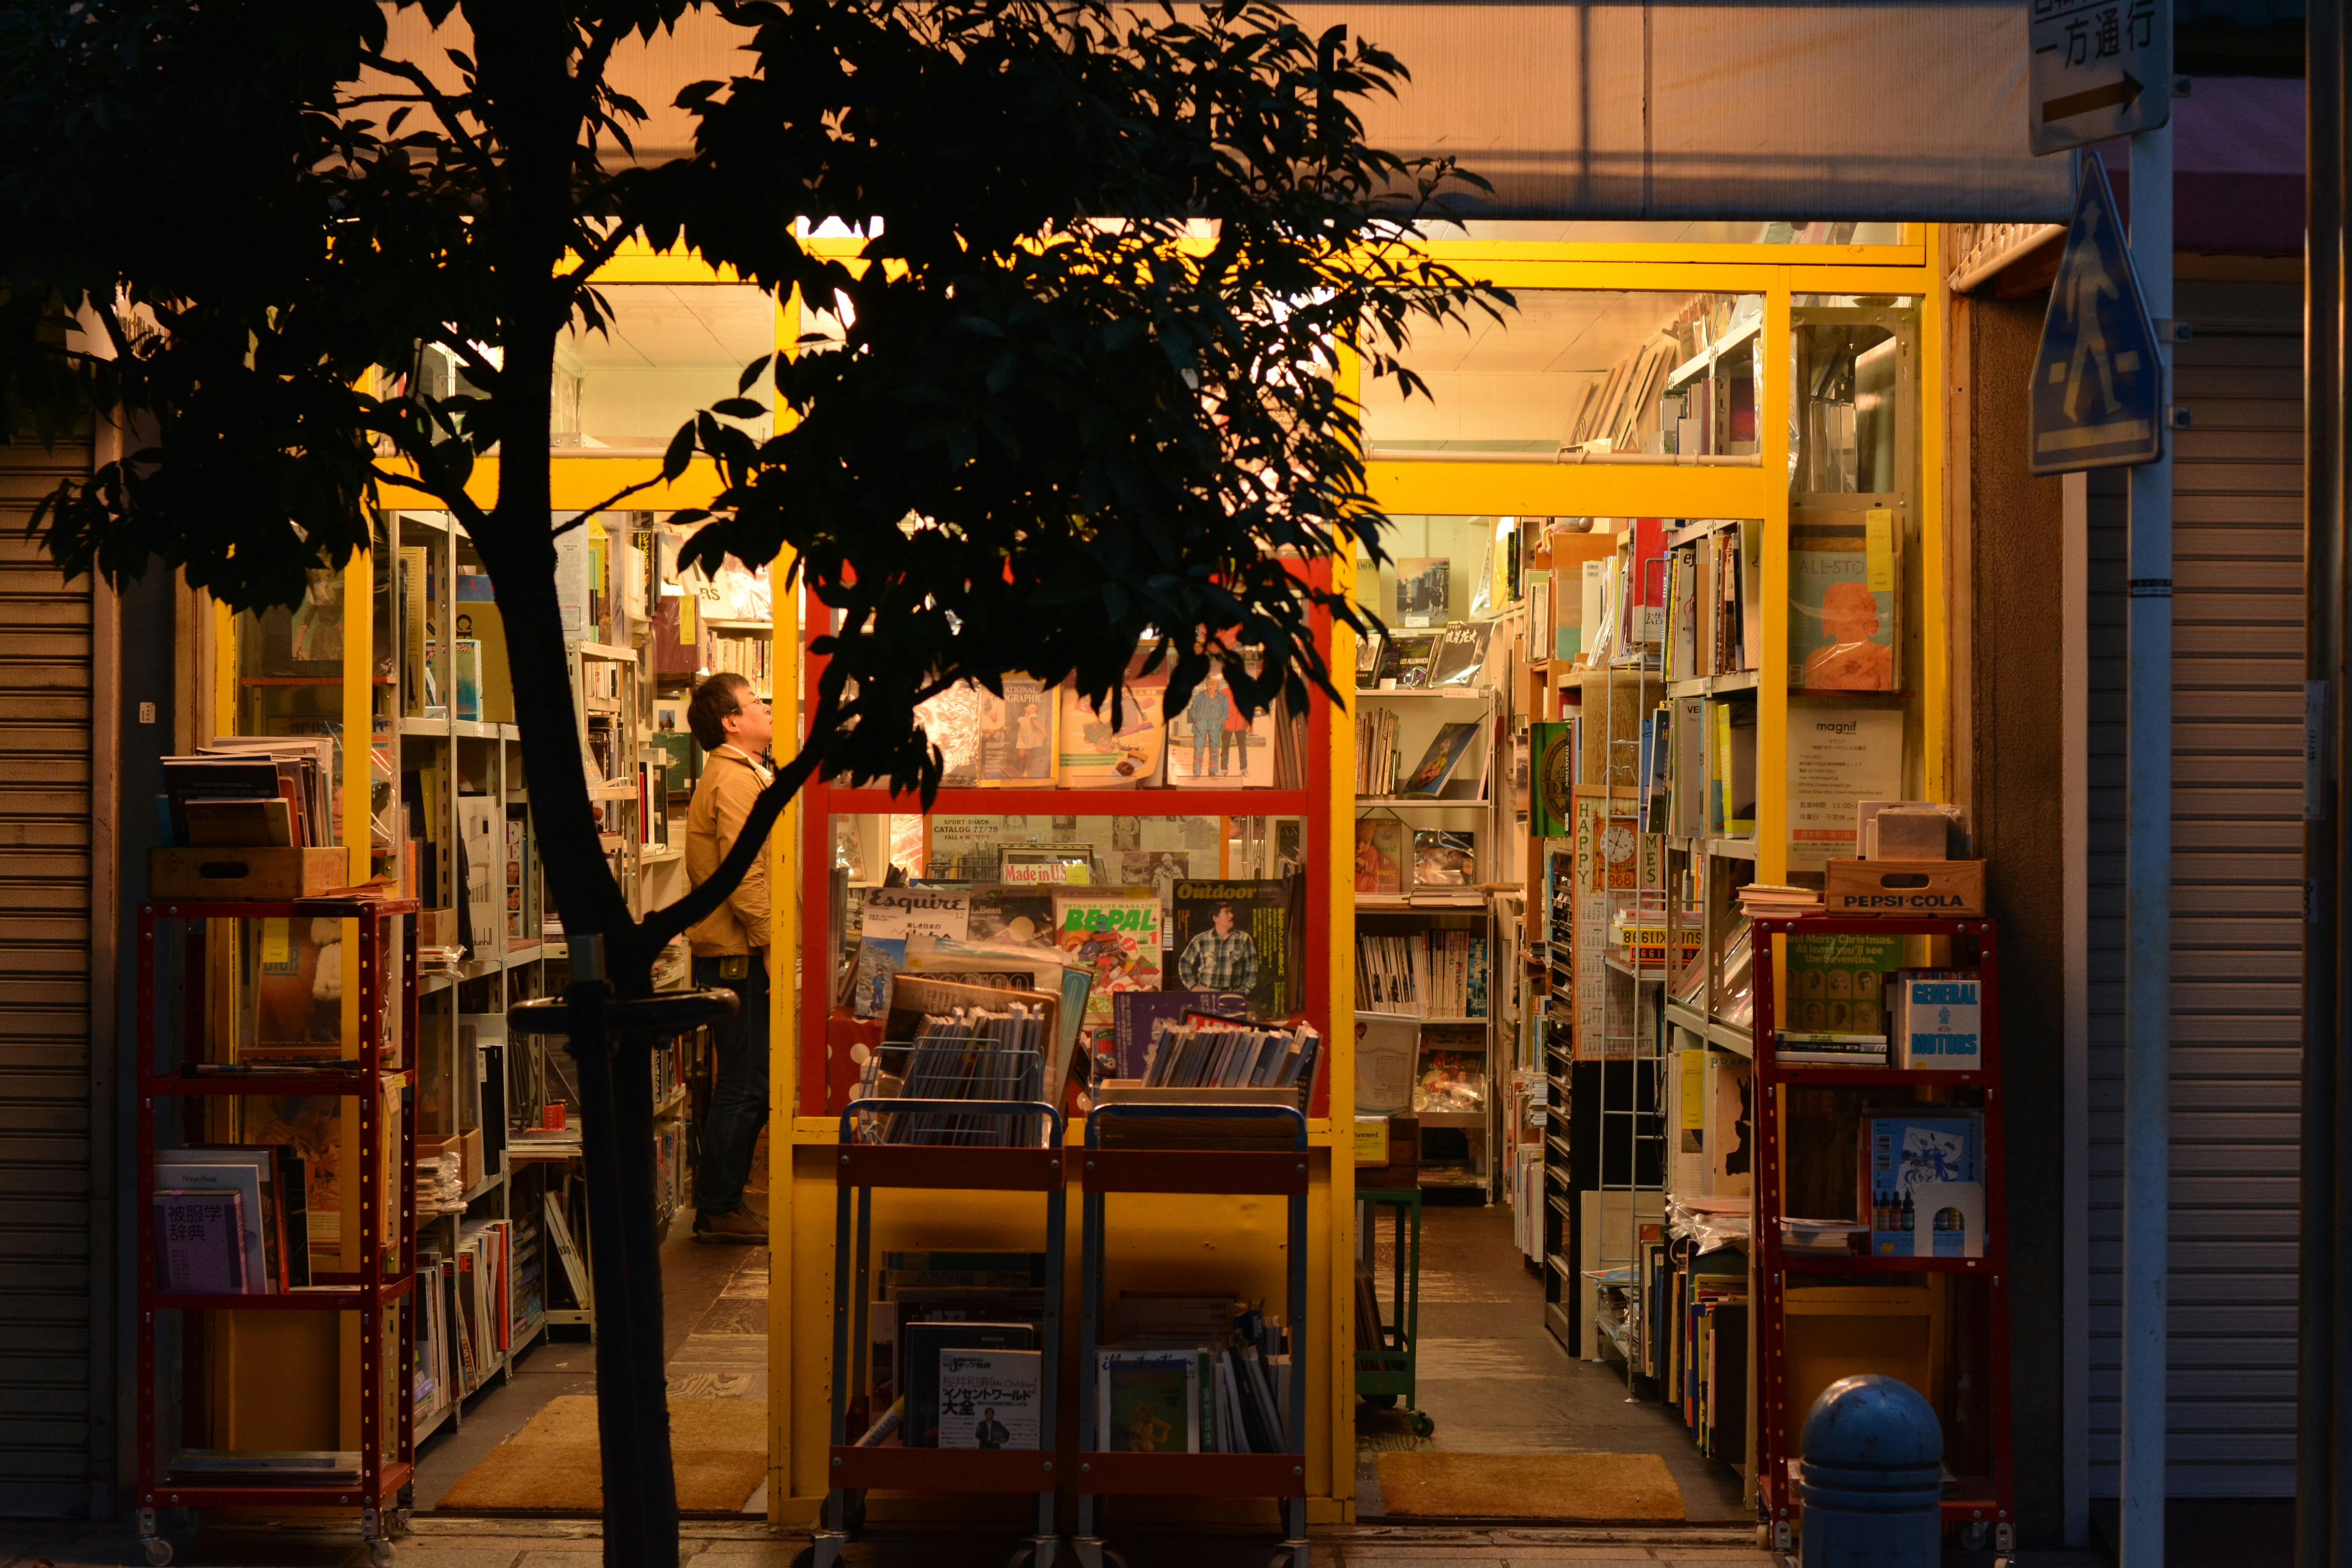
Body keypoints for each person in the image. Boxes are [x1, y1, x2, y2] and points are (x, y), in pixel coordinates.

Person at [683, 672, 776, 1243]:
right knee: (745, 1084)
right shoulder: (735, 780)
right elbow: (744, 876)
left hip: (740, 950)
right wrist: (771, 941)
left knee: (749, 1081)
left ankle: (724, 1201)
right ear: (731, 722)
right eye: (755, 702)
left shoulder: (743, 774)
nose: (765, 708)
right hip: (739, 956)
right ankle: (719, 1205)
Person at [1801, 581, 1894, 690]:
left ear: (1867, 615)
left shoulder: (1882, 655)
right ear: (1829, 618)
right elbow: (1812, 704)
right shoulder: (1816, 658)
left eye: (1853, 611)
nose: (1846, 620)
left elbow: (1886, 700)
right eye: (1838, 613)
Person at [1176, 901, 1259, 996]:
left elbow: (1253, 967)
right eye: (1227, 912)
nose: (1232, 915)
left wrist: (1243, 992)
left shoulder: (1244, 939)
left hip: (1232, 994)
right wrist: (1193, 987)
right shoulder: (1201, 939)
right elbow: (1184, 962)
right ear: (1216, 918)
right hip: (1205, 993)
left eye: (1231, 912)